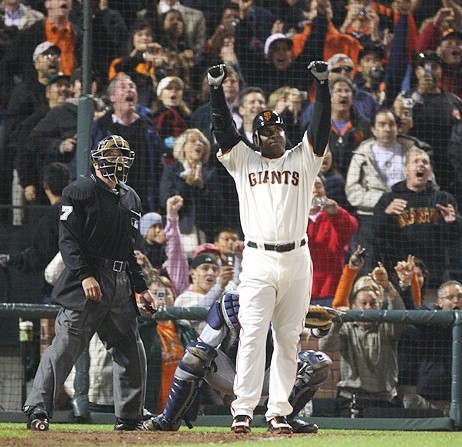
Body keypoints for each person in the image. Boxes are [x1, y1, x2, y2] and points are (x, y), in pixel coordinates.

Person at [207, 60, 331, 434]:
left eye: (277, 129)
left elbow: (320, 127)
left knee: (289, 340)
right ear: (257, 138)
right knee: (252, 334)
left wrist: (322, 86)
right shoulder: (244, 161)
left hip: (297, 258)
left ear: (284, 132)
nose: (273, 135)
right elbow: (223, 131)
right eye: (265, 131)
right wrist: (215, 90)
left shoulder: (303, 158)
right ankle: (243, 409)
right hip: (258, 258)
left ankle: (278, 411)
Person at [22, 135, 156, 432]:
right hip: (88, 280)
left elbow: (129, 250)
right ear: (96, 161)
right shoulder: (79, 190)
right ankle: (37, 409)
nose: (117, 160)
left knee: (131, 350)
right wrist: (84, 275)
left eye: (122, 154)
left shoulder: (131, 197)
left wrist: (141, 287)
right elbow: (68, 240)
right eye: (111, 154)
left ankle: (130, 417)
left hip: (120, 283)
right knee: (65, 347)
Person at [143, 290, 332, 434]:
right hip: (230, 374)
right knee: (195, 355)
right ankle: (169, 419)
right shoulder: (230, 303)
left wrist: (322, 328)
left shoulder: (287, 302)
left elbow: (310, 333)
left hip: (269, 376)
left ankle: (284, 418)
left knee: (318, 363)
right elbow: (203, 346)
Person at [319, 262, 406, 417]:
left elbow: (400, 316)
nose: (368, 308)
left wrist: (387, 286)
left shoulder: (387, 326)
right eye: (363, 303)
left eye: (373, 303)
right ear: (353, 306)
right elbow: (326, 346)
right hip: (350, 398)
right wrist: (337, 322)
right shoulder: (346, 327)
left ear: (380, 305)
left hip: (384, 399)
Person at [373, 147, 462, 290]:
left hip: (436, 272)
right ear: (406, 170)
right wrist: (386, 214)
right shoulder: (389, 199)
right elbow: (375, 233)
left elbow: (454, 238)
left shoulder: (443, 199)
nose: (421, 165)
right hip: (400, 272)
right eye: (416, 161)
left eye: (425, 162)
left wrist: (453, 223)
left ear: (430, 170)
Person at [91, 74, 164, 213]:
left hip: (144, 201)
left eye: (132, 87)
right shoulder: (101, 127)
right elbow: (87, 161)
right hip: (109, 202)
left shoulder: (148, 127)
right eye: (123, 87)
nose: (129, 90)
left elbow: (158, 164)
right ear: (112, 97)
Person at [308, 175, 358, 306]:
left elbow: (351, 227)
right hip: (300, 291)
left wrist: (336, 212)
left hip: (330, 291)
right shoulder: (294, 217)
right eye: (310, 185)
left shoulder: (334, 216)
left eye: (318, 185)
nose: (315, 190)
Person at [174, 252, 234, 333]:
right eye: (205, 268)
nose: (211, 272)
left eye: (214, 269)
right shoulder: (183, 298)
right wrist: (220, 286)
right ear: (193, 273)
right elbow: (194, 315)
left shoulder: (222, 294)